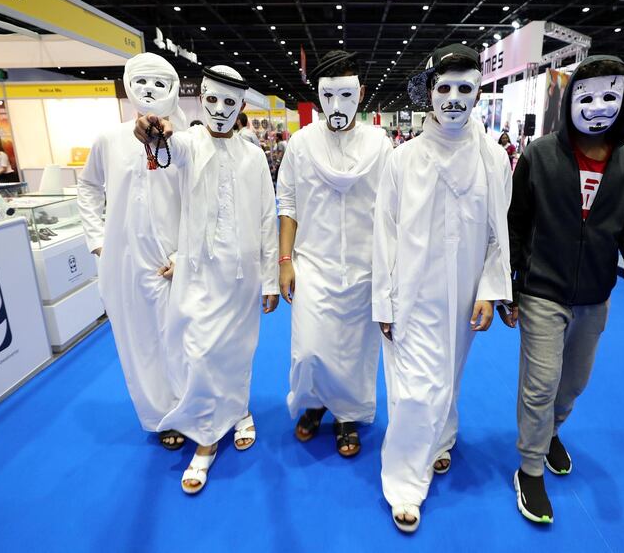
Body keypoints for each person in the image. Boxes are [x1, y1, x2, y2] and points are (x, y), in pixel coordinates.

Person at [505, 56, 624, 524]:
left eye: (609, 97)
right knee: (540, 384)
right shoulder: (539, 155)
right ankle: (530, 468)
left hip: (595, 295)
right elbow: (516, 225)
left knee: (572, 385)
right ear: (570, 99)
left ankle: (552, 431)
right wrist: (510, 287)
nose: (596, 107)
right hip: (542, 291)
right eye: (586, 96)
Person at [373, 44, 512, 532]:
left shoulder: (494, 158)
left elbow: (500, 232)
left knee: (448, 376)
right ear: (430, 93)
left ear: (478, 94)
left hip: (465, 295)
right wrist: (383, 300)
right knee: (414, 390)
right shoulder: (402, 158)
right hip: (409, 294)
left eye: (465, 89)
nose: (454, 99)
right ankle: (406, 481)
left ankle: (442, 439)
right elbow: (384, 233)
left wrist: (491, 290)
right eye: (445, 88)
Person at [134, 65, 279, 495]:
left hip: (242, 275)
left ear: (240, 107)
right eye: (212, 100)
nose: (219, 109)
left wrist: (269, 278)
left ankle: (239, 409)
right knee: (198, 352)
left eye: (228, 103)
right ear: (202, 101)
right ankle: (205, 437)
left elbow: (267, 219)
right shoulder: (189, 144)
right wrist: (151, 130)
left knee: (237, 350)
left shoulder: (253, 155)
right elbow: (162, 143)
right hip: (197, 275)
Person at [277, 50, 393, 458]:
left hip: (365, 266)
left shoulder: (381, 145)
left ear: (361, 93)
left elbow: (393, 208)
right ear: (318, 95)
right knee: (309, 348)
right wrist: (285, 260)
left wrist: (391, 269)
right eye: (329, 96)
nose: (337, 105)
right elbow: (287, 203)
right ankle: (313, 404)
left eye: (346, 95)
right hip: (313, 263)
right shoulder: (301, 143)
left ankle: (347, 415)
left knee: (356, 351)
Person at [77, 53, 187, 451]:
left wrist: (186, 252)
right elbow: (88, 187)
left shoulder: (187, 140)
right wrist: (98, 241)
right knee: (139, 340)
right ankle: (159, 416)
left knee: (185, 338)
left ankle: (190, 408)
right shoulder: (109, 140)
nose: (150, 91)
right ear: (127, 85)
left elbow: (199, 202)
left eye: (160, 83)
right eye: (141, 82)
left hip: (176, 261)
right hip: (124, 260)